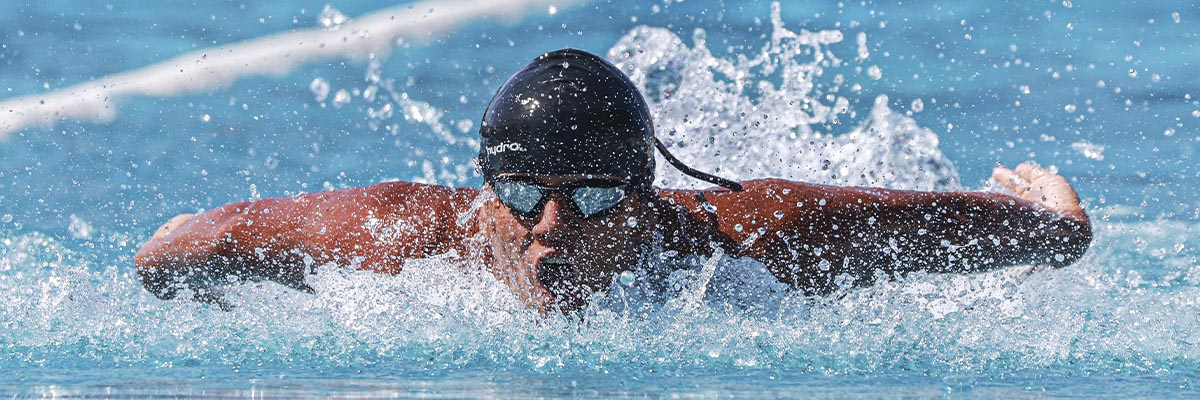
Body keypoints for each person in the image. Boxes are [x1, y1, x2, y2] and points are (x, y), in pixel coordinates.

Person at [134, 49, 1092, 312]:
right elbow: (179, 244)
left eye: (589, 195)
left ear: (642, 195)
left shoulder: (755, 236)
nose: (549, 226)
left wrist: (1052, 217)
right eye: (523, 194)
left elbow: (1042, 238)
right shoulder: (408, 236)